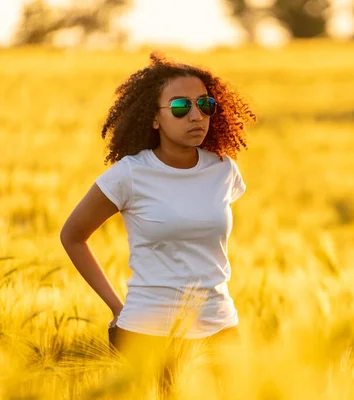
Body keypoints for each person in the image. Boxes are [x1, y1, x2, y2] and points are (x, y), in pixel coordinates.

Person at [60, 52, 256, 398]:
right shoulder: (130, 174)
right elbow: (73, 236)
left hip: (221, 329)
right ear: (154, 118)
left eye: (204, 104)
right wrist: (117, 307)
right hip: (148, 335)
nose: (196, 116)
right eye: (180, 107)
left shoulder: (224, 170)